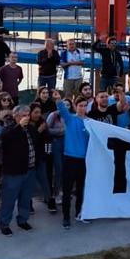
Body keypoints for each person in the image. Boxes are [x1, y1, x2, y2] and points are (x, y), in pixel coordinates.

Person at [52, 91, 90, 229]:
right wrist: (58, 99)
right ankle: (66, 217)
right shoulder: (70, 119)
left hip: (84, 161)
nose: (83, 108)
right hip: (69, 159)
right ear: (75, 106)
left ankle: (79, 213)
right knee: (67, 191)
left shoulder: (90, 123)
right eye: (80, 105)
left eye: (85, 105)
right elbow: (62, 110)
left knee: (80, 190)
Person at [0, 105, 37, 236]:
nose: (27, 117)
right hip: (14, 172)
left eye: (28, 115)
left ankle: (22, 220)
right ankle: (4, 224)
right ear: (16, 116)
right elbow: (6, 138)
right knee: (9, 199)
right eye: (23, 115)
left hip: (30, 170)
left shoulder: (31, 128)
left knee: (26, 198)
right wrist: (19, 126)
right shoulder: (8, 129)